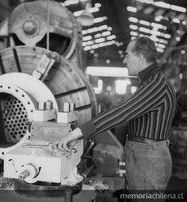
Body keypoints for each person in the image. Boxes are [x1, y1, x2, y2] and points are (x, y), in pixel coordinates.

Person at [53, 37, 177, 197]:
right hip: (145, 155)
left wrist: (77, 132)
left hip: (149, 158)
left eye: (127, 55)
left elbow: (123, 112)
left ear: (140, 58)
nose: (124, 60)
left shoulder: (156, 85)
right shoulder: (150, 83)